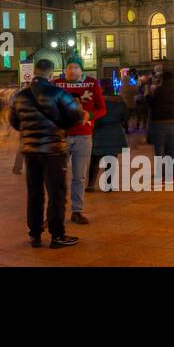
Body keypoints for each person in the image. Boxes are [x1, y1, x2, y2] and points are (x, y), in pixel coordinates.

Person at [10, 58, 83, 249]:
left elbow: (15, 122)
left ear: (35, 71)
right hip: (53, 151)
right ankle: (57, 235)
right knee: (56, 193)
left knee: (34, 193)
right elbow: (76, 116)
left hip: (30, 151)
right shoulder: (58, 93)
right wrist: (61, 126)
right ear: (51, 73)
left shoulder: (20, 96)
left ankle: (34, 234)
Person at [55, 59, 104, 225]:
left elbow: (102, 108)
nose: (72, 71)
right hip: (62, 136)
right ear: (64, 69)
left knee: (79, 176)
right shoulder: (56, 84)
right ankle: (57, 210)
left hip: (83, 136)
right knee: (57, 175)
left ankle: (77, 210)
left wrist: (89, 116)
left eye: (76, 67)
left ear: (81, 70)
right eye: (69, 67)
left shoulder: (92, 84)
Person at [92, 71, 131, 191]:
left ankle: (90, 184)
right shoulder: (119, 100)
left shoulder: (96, 101)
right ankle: (108, 185)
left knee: (94, 160)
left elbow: (93, 116)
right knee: (111, 160)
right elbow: (126, 116)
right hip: (115, 132)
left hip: (98, 133)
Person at [145, 67, 174, 161]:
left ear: (163, 78)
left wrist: (148, 95)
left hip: (158, 122)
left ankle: (161, 170)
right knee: (172, 149)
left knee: (159, 149)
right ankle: (173, 174)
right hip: (173, 122)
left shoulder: (158, 90)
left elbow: (151, 104)